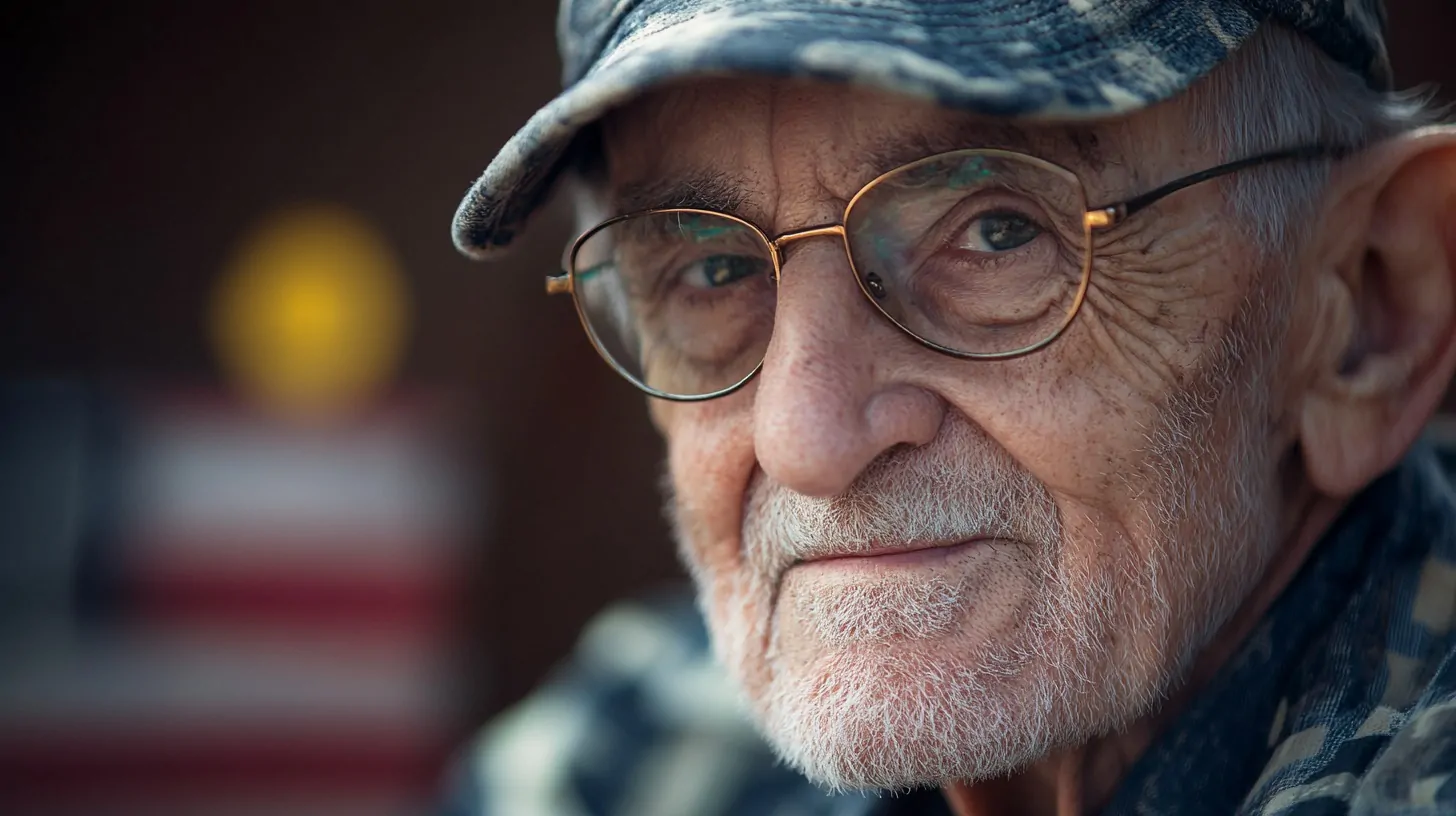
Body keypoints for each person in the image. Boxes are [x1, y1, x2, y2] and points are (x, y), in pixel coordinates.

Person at [446, 1, 1456, 813]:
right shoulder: (633, 757)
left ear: (1368, 307)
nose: (806, 440)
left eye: (997, 233)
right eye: (710, 269)